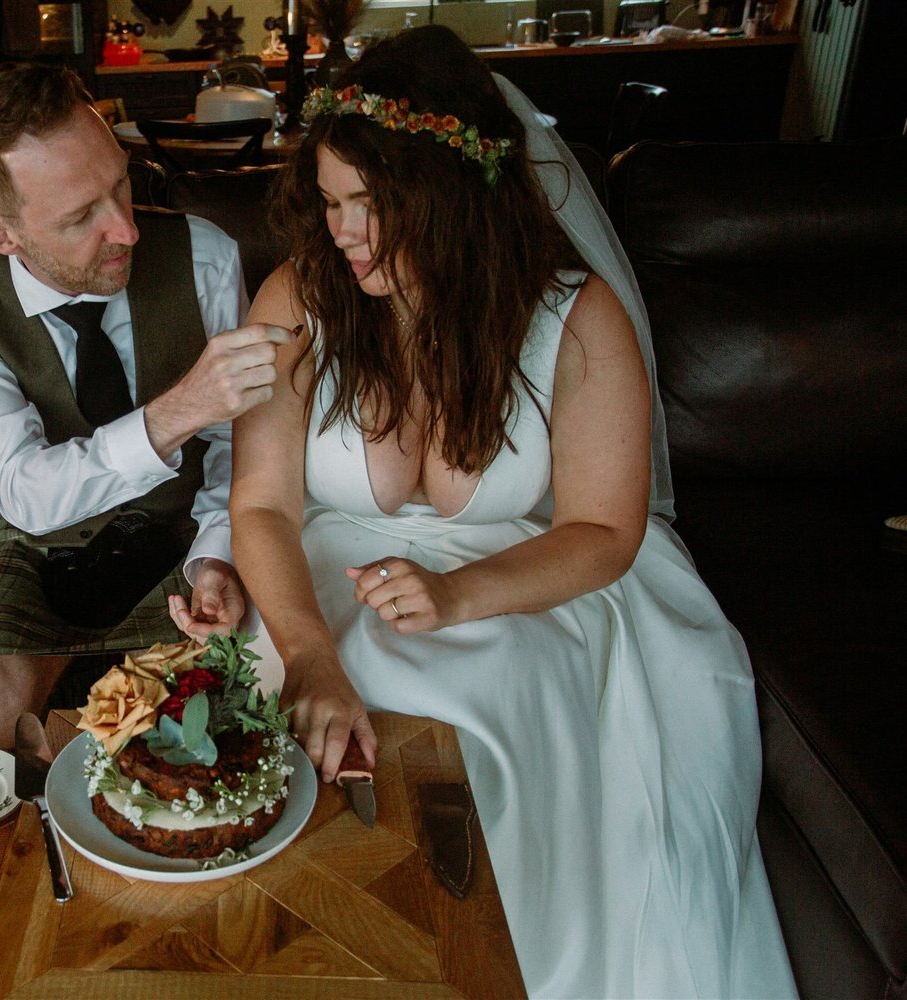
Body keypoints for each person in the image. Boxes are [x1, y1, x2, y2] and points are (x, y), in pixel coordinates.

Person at [215, 25, 797, 998]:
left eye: (370, 205)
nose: (343, 233)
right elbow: (262, 504)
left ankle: (483, 969)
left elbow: (606, 530)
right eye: (328, 202)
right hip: (319, 585)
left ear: (451, 194)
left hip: (525, 579)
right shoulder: (299, 299)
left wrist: (458, 594)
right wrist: (311, 652)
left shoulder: (575, 320)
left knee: (478, 733)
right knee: (293, 735)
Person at [0, 62, 292, 749]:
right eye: (81, 215)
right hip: (40, 537)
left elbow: (240, 449)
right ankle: (6, 851)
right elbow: (24, 493)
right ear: (2, 234)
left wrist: (218, 558)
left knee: (187, 715)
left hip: (181, 531)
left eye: (121, 184)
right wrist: (179, 410)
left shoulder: (203, 255)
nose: (126, 230)